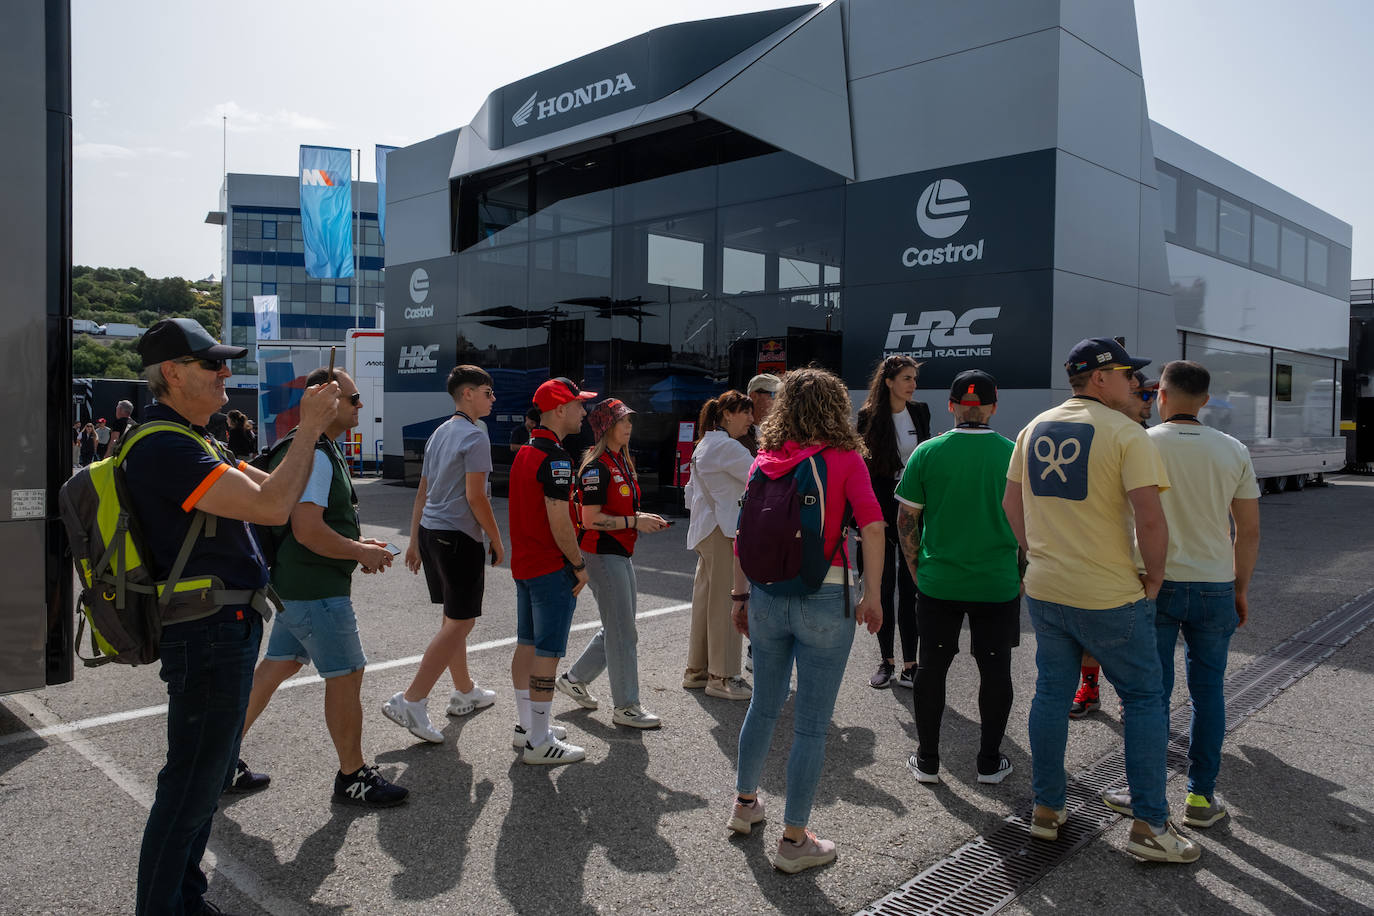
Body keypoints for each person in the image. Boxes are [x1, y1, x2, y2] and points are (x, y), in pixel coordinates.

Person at [126, 318, 339, 915]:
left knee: (206, 780)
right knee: (191, 787)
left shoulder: (194, 438)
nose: (226, 373)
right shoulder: (163, 445)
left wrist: (308, 436)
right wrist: (308, 428)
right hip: (205, 632)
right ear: (171, 373)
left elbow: (278, 491)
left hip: (224, 628)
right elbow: (273, 509)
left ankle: (187, 899)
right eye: (211, 363)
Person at [1003, 337, 1200, 863]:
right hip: (1110, 594)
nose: (1137, 384)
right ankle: (1151, 824)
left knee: (1049, 694)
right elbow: (1150, 519)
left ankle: (1047, 809)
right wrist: (1154, 580)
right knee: (1143, 698)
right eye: (1129, 376)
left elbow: (1010, 502)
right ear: (1099, 378)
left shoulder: (1033, 427)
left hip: (1047, 588)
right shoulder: (1125, 434)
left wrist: (1035, 553)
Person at [726, 367, 885, 874]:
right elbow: (874, 527)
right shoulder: (843, 459)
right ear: (835, 408)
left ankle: (745, 804)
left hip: (767, 595)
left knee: (763, 706)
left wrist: (740, 596)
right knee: (812, 727)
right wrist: (873, 595)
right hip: (826, 594)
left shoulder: (765, 460)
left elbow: (741, 532)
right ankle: (795, 840)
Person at [236, 368, 407, 807]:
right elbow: (308, 530)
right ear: (326, 401)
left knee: (276, 668)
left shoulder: (316, 447)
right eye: (353, 399)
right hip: (314, 590)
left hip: (298, 585)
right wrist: (359, 552)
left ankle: (220, 759)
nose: (359, 406)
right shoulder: (313, 452)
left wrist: (359, 544)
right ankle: (352, 776)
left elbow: (315, 525)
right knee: (348, 675)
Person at [1101, 360, 1260, 830]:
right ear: (1205, 400)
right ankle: (1200, 797)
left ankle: (1140, 790)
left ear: (1161, 395)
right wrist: (1241, 586)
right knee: (1208, 693)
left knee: (1149, 693)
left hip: (1153, 582)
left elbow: (1119, 519)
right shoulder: (1232, 449)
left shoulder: (1139, 442)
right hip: (1214, 585)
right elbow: (1247, 530)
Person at [895, 370, 1020, 785]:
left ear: (951, 406)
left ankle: (928, 760)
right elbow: (1029, 525)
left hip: (938, 582)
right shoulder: (1012, 453)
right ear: (992, 407)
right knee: (995, 668)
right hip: (996, 581)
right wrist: (1020, 571)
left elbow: (906, 519)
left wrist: (917, 569)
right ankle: (988, 761)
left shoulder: (927, 453)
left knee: (932, 667)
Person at [382, 366, 505, 743]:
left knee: (454, 618)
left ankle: (465, 689)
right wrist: (497, 540)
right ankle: (412, 700)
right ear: (467, 394)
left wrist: (417, 540)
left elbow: (423, 491)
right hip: (457, 537)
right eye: (487, 392)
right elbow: (476, 497)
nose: (493, 398)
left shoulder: (438, 433)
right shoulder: (475, 435)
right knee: (460, 622)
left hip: (433, 534)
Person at [555, 398, 671, 728]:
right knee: (624, 633)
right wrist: (635, 522)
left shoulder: (620, 460)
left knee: (619, 626)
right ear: (606, 426)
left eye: (630, 420)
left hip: (618, 553)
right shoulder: (597, 466)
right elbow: (590, 520)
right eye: (623, 420)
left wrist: (642, 518)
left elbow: (622, 510)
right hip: (601, 555)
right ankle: (626, 707)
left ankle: (575, 678)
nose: (629, 426)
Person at [509, 376, 597, 764]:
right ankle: (539, 741)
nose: (584, 411)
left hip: (525, 565)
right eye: (579, 404)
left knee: (527, 644)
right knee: (547, 653)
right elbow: (559, 521)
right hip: (549, 567)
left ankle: (528, 726)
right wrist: (579, 565)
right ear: (560, 409)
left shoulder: (527, 451)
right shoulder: (555, 458)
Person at [1071, 369, 1160, 718]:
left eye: (1153, 394)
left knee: (1141, 637)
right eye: (1143, 394)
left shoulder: (1151, 439)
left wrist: (1155, 568)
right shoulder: (1102, 435)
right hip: (1104, 557)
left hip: (1145, 556)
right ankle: (1090, 689)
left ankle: (1129, 694)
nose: (1149, 402)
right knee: (1090, 636)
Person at [855, 355, 930, 689]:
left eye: (914, 378)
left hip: (914, 508)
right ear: (888, 382)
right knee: (883, 586)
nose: (913, 385)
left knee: (911, 587)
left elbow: (925, 458)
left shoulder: (920, 411)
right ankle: (886, 661)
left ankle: (911, 664)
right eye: (906, 378)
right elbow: (863, 471)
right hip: (881, 509)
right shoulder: (869, 417)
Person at [684, 390, 755, 700]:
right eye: (747, 413)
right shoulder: (728, 447)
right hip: (723, 531)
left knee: (705, 603)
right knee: (727, 603)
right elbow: (764, 476)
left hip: (705, 530)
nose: (752, 420)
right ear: (728, 414)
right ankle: (722, 677)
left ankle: (697, 672)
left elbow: (689, 494)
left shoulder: (706, 444)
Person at [737, 373, 780, 456]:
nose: (779, 401)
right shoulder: (738, 432)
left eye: (781, 395)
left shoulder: (780, 431)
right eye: (774, 395)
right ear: (754, 396)